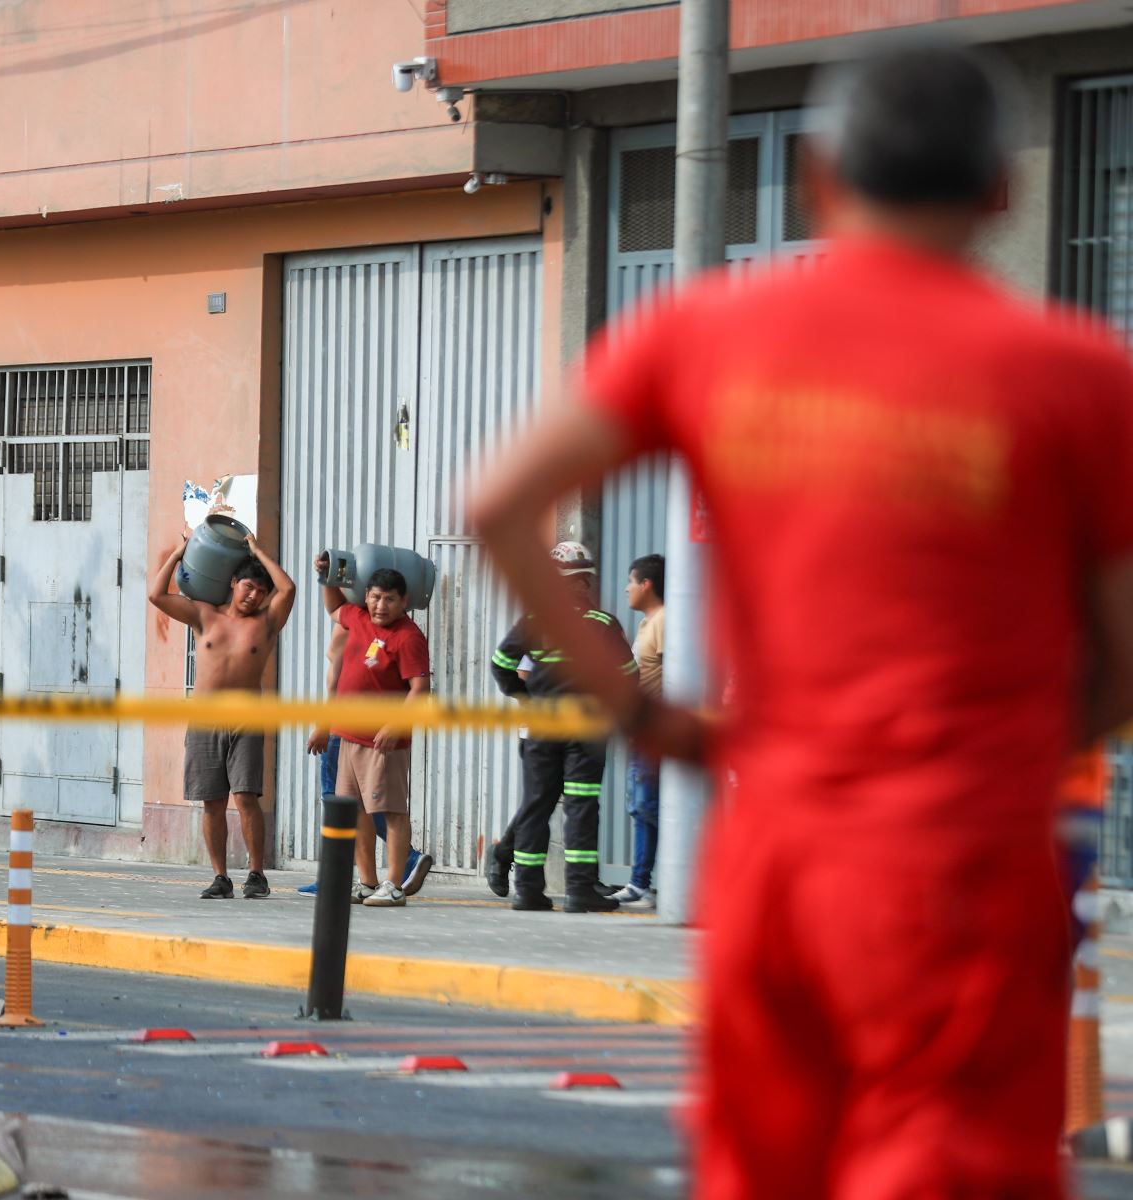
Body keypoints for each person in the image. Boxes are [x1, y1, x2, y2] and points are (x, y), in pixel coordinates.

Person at [470, 40, 1133, 1196]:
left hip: (778, 855)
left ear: (820, 180)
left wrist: (639, 712)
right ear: (1002, 190)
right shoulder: (1080, 376)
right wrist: (1019, 740)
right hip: (969, 865)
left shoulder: (708, 334)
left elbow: (497, 506)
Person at [149, 529, 297, 899]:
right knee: (211, 803)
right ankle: (220, 878)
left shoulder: (266, 623)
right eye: (248, 586)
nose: (254, 595)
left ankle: (257, 874)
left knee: (246, 798)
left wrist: (258, 552)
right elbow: (156, 595)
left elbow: (288, 589)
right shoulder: (205, 615)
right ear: (233, 583)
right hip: (205, 720)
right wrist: (179, 552)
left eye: (261, 591)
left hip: (246, 719)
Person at [490, 543, 633, 914]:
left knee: (537, 804)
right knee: (581, 806)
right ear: (584, 582)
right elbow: (628, 676)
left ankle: (527, 891)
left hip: (542, 726)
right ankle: (580, 890)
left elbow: (500, 663)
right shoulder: (602, 624)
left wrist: (527, 697)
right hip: (586, 729)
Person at [317, 559, 429, 907]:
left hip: (382, 742)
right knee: (355, 812)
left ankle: (393, 885)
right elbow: (334, 607)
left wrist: (395, 725)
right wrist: (327, 574)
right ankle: (367, 882)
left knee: (391, 811)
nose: (381, 606)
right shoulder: (359, 617)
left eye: (390, 599)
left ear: (404, 601)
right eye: (376, 597)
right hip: (347, 736)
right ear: (366, 596)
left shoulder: (408, 637)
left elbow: (420, 689)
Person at [612, 553, 664, 908]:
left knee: (647, 806)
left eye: (631, 582)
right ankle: (640, 883)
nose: (626, 589)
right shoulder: (649, 623)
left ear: (646, 584)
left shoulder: (665, 621)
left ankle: (647, 884)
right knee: (641, 806)